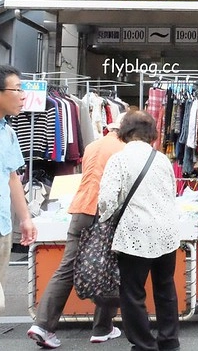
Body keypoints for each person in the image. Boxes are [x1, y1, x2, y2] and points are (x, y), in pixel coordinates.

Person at [27, 113, 128, 348]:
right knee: (110, 266)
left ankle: (42, 325)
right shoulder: (124, 149)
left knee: (68, 267)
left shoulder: (93, 146)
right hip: (104, 212)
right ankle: (102, 328)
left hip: (80, 208)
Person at [97, 111, 180, 351]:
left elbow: (106, 201)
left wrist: (106, 218)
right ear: (151, 134)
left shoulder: (119, 160)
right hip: (166, 232)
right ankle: (169, 341)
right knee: (165, 288)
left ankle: (144, 344)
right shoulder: (163, 160)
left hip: (134, 234)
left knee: (133, 293)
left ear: (125, 131)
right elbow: (170, 194)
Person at [0, 65, 37, 311]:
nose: (23, 96)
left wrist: (25, 219)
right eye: (17, 89)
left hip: (2, 228)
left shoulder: (8, 133)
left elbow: (12, 177)